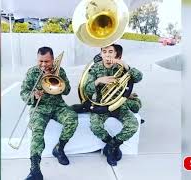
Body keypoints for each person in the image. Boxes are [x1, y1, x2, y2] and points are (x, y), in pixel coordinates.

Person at [20, 47, 78, 180]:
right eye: (40, 61)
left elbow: (67, 90)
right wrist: (33, 95)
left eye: (47, 61)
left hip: (58, 106)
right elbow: (23, 93)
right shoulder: (32, 72)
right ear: (37, 59)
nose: (43, 64)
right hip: (39, 108)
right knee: (37, 132)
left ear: (52, 60)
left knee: (72, 119)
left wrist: (58, 78)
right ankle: (35, 169)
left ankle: (59, 148)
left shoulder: (60, 71)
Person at [84, 44, 143, 166]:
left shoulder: (121, 67)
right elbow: (87, 91)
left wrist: (125, 64)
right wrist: (98, 81)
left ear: (116, 54)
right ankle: (111, 143)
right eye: (104, 51)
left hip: (119, 104)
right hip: (102, 105)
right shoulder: (95, 68)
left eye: (111, 51)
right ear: (101, 54)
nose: (107, 54)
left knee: (133, 125)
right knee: (95, 127)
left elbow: (138, 77)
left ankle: (111, 147)